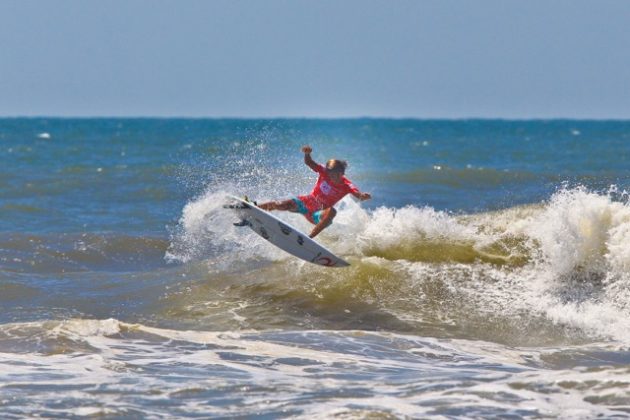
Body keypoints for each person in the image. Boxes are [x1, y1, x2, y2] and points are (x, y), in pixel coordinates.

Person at [258, 145, 371, 238]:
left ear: (342, 173)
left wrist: (363, 196)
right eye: (330, 174)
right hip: (305, 203)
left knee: (332, 211)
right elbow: (310, 163)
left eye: (335, 175)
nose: (332, 177)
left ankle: (309, 238)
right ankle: (254, 208)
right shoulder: (324, 172)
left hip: (317, 215)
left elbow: (358, 195)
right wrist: (307, 154)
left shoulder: (347, 185)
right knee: (281, 204)